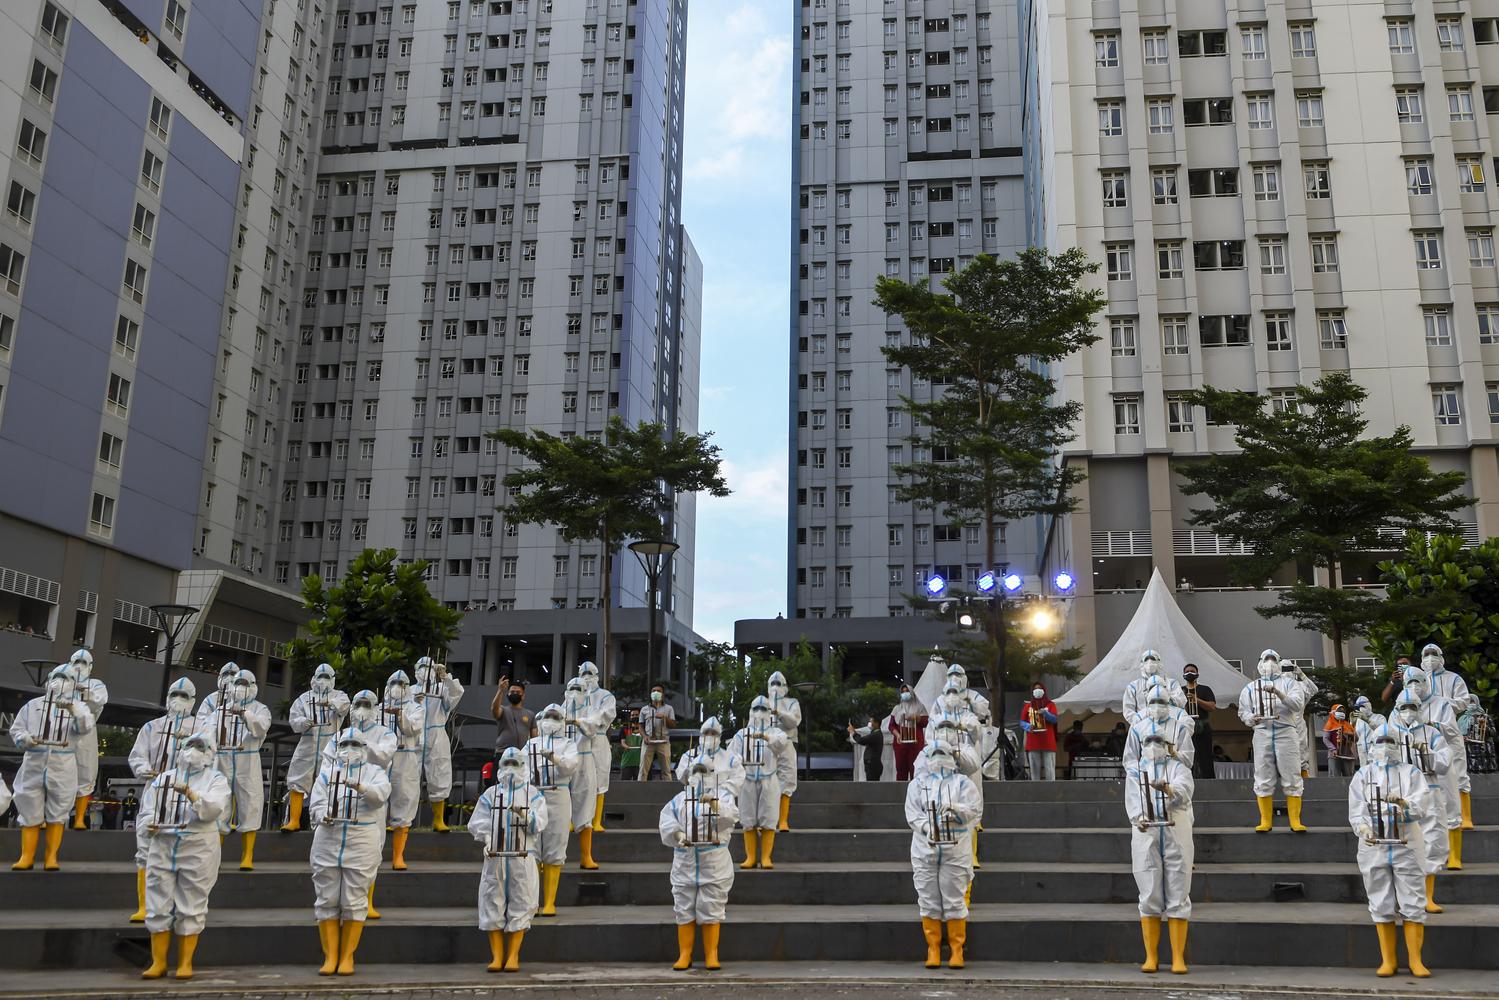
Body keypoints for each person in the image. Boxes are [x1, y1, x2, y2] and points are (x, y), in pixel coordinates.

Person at [137, 730, 230, 980]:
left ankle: (185, 963)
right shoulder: (163, 779)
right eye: (190, 745)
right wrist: (149, 825)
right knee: (157, 903)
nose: (194, 750)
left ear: (210, 753)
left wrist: (191, 794)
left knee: (192, 904)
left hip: (198, 846)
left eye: (200, 746)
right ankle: (158, 962)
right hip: (163, 844)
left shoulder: (216, 779)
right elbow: (147, 810)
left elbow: (213, 810)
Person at [1349, 724, 1432, 977]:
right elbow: (1356, 808)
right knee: (1380, 898)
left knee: (1413, 898)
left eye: (1390, 741)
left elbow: (1422, 805)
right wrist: (1362, 828)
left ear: (1398, 744)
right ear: (1372, 745)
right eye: (1380, 741)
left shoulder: (1412, 773)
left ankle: (1415, 960)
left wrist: (1404, 804)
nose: (1385, 746)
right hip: (1374, 843)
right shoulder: (1362, 774)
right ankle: (1389, 960)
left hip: (1406, 839)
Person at [310, 728, 392, 976]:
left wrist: (360, 787)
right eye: (345, 744)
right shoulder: (325, 774)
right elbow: (315, 803)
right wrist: (322, 814)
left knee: (354, 899)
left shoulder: (376, 772)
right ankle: (330, 956)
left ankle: (347, 957)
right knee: (326, 898)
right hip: (328, 838)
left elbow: (380, 796)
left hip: (361, 839)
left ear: (364, 748)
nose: (349, 749)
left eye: (355, 744)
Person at [468, 747, 547, 973]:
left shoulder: (533, 794)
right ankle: (496, 956)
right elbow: (477, 822)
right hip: (495, 856)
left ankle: (513, 956)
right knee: (492, 901)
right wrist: (488, 837)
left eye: (515, 764)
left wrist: (524, 814)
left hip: (523, 856)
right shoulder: (491, 794)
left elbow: (540, 824)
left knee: (522, 902)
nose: (511, 769)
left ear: (524, 767)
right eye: (507, 764)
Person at [11, 664, 96, 870]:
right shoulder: (32, 706)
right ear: (48, 680)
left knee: (58, 809)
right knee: (28, 803)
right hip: (34, 760)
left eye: (65, 678)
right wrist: (25, 739)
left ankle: (51, 857)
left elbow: (85, 726)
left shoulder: (79, 707)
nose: (59, 682)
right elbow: (17, 730)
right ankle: (27, 856)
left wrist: (71, 708)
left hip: (62, 762)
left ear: (73, 684)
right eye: (56, 677)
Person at [905, 742, 982, 970]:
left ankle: (957, 949)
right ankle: (933, 947)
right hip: (924, 848)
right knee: (928, 898)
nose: (938, 757)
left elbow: (975, 810)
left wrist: (956, 810)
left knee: (954, 897)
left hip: (955, 847)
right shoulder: (917, 785)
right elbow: (912, 814)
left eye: (943, 753)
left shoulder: (963, 783)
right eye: (934, 753)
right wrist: (927, 827)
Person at [128, 677, 198, 921]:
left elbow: (211, 757)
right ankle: (145, 905)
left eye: (184, 696)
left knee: (184, 848)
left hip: (186, 790)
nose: (178, 700)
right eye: (174, 694)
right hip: (156, 788)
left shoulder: (201, 727)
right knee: (146, 844)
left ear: (193, 700)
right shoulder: (151, 727)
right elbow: (137, 756)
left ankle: (178, 906)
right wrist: (144, 768)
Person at [661, 754, 740, 971]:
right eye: (695, 771)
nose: (699, 775)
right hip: (685, 859)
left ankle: (711, 954)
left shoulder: (723, 796)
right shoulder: (679, 799)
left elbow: (730, 818)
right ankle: (684, 953)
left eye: (703, 771)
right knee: (683, 905)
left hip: (713, 860)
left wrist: (714, 804)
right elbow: (667, 821)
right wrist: (678, 836)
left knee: (712, 905)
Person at [1126, 730, 1194, 974]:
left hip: (1176, 827)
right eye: (1149, 742)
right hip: (1146, 832)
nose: (1153, 746)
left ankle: (1178, 957)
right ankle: (1151, 956)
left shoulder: (1178, 767)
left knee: (1179, 885)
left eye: (1158, 741)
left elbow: (1185, 791)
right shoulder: (1135, 769)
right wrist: (1140, 818)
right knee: (1148, 888)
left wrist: (1168, 790)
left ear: (1167, 745)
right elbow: (1133, 799)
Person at [1389, 689, 1452, 913]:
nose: (1408, 711)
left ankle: (1427, 897)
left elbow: (1445, 763)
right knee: (1399, 843)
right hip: (1399, 792)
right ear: (1396, 709)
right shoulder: (1388, 733)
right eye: (1404, 707)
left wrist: (1427, 753)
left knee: (1433, 840)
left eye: (1413, 706)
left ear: (1420, 708)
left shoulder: (1432, 734)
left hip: (1429, 791)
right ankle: (1401, 897)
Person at [1237, 649, 1309, 832]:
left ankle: (1295, 820)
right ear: (1260, 662)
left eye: (1273, 659)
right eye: (1265, 659)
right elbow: (1243, 711)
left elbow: (1297, 705)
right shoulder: (1250, 687)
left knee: (1292, 773)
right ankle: (1265, 820)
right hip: (1262, 732)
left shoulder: (1290, 683)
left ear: (1278, 662)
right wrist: (1250, 718)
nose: (1269, 662)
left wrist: (1278, 693)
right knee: (1262, 774)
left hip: (1286, 731)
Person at [1402, 665, 1464, 869]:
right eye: (1409, 682)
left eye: (1417, 681)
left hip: (1440, 762)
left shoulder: (1441, 704)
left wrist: (1433, 725)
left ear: (1425, 681)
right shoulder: (1399, 706)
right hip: (1412, 770)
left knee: (1450, 805)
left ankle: (1454, 855)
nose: (1413, 686)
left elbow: (1453, 732)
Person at [210, 669, 272, 871]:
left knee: (251, 804)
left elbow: (261, 728)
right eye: (237, 683)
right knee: (220, 805)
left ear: (253, 686)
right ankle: (216, 855)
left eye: (245, 684)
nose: (240, 688)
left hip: (248, 759)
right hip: (223, 760)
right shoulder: (220, 711)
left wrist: (245, 714)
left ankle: (248, 855)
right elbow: (208, 731)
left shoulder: (260, 709)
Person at [523, 703, 579, 915]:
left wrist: (554, 757)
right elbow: (522, 766)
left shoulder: (568, 744)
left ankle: (549, 902)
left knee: (556, 844)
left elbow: (571, 765)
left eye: (556, 717)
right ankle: (533, 900)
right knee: (533, 844)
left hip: (559, 794)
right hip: (535, 794)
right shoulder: (531, 744)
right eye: (548, 716)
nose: (551, 720)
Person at [282, 663, 350, 832]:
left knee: (328, 781)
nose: (323, 680)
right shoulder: (304, 698)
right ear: (313, 678)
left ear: (333, 680)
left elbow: (344, 706)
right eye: (320, 676)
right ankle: (294, 820)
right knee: (297, 780)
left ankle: (322, 820)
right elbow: (294, 720)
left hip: (330, 744)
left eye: (327, 677)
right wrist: (302, 723)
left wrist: (329, 703)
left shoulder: (339, 695)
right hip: (307, 743)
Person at [1423, 645, 1475, 830]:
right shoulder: (1420, 680)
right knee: (1432, 774)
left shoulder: (1453, 678)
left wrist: (1442, 702)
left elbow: (1463, 701)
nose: (1430, 658)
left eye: (1433, 654)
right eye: (1426, 655)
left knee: (1459, 771)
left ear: (1441, 657)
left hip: (1450, 731)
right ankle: (1439, 815)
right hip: (1427, 735)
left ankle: (1466, 815)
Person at [735, 697, 789, 869]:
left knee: (769, 816)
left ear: (769, 712)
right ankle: (750, 857)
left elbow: (782, 744)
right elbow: (733, 756)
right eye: (756, 708)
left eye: (763, 708)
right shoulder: (741, 734)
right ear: (751, 711)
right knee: (747, 817)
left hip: (769, 779)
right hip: (747, 780)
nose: (759, 712)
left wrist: (765, 737)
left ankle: (766, 857)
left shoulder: (776, 732)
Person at [413, 657, 464, 832]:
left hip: (436, 734)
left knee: (439, 774)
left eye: (428, 667)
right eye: (421, 667)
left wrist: (446, 678)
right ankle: (400, 821)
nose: (424, 670)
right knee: (407, 777)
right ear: (415, 670)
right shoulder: (409, 690)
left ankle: (438, 819)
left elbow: (455, 696)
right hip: (414, 735)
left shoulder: (440, 688)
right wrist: (414, 701)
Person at [380, 670, 425, 869]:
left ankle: (398, 856)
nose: (397, 686)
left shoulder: (416, 708)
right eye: (394, 682)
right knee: (376, 804)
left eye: (402, 683)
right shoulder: (377, 708)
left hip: (405, 759)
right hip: (381, 760)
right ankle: (374, 852)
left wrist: (399, 715)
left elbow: (412, 729)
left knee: (404, 802)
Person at [561, 677, 601, 869]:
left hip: (584, 760)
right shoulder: (559, 709)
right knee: (556, 806)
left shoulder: (592, 709)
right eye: (572, 688)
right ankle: (549, 856)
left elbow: (593, 727)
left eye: (579, 688)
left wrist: (577, 721)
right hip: (561, 760)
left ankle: (586, 856)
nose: (575, 691)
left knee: (586, 806)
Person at [67, 649, 108, 830]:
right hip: (63, 728)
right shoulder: (62, 679)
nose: (79, 666)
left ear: (90, 667)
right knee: (55, 770)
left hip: (86, 731)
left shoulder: (96, 684)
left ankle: (79, 818)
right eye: (76, 661)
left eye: (84, 662)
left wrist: (85, 691)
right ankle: (49, 816)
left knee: (86, 771)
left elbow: (100, 701)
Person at [576, 661, 617, 832]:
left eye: (590, 673)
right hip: (579, 739)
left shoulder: (606, 696)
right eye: (583, 674)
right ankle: (576, 819)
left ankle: (596, 820)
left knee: (600, 778)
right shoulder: (575, 694)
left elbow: (606, 714)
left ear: (597, 675)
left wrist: (589, 721)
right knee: (578, 777)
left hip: (599, 739)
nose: (587, 677)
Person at [674, 716, 747, 800]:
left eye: (713, 733)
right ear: (701, 734)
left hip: (721, 803)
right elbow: (683, 778)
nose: (709, 736)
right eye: (706, 733)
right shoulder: (690, 755)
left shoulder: (730, 758)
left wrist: (718, 792)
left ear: (719, 736)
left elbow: (738, 778)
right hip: (693, 802)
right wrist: (692, 770)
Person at [767, 671, 803, 832]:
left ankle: (783, 820)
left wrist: (778, 712)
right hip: (766, 743)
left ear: (785, 687)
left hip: (786, 742)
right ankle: (767, 820)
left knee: (787, 778)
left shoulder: (792, 703)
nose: (775, 687)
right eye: (772, 684)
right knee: (765, 780)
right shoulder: (762, 703)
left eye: (779, 684)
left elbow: (793, 722)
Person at [1123, 650, 1185, 726]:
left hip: (1169, 726)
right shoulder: (1133, 686)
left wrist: (1166, 696)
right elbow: (1128, 711)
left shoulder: (1172, 683)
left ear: (1159, 662)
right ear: (1142, 663)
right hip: (1143, 728)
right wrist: (1140, 724)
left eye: (1153, 659)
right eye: (1146, 659)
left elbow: (1181, 702)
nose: (1150, 662)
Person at [1283, 660, 1319, 778]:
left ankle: (1304, 779)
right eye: (1283, 669)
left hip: (1298, 723)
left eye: (1288, 669)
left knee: (1301, 752)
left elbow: (1314, 690)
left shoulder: (1300, 685)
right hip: (1282, 723)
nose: (1286, 672)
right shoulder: (1276, 685)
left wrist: (1301, 674)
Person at [1181, 664, 1217, 779]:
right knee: (1187, 755)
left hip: (1202, 727)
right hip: (1186, 728)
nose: (1189, 673)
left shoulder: (1205, 689)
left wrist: (1196, 700)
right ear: (1183, 674)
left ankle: (1208, 781)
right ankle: (1187, 780)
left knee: (1205, 756)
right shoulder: (1180, 691)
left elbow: (1212, 706)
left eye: (1192, 671)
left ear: (1197, 674)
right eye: (1187, 671)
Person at [490, 676, 536, 759]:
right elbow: (494, 709)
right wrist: (500, 690)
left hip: (522, 755)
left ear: (523, 695)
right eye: (512, 692)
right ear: (508, 694)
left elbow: (535, 739)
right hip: (502, 753)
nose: (515, 694)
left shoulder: (530, 714)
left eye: (518, 692)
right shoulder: (503, 710)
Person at [888, 684, 928, 781]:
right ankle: (901, 793)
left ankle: (916, 792)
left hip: (915, 743)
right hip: (900, 744)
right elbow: (891, 725)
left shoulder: (920, 707)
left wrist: (915, 717)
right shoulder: (897, 708)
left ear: (911, 692)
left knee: (915, 768)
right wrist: (897, 734)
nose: (905, 693)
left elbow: (926, 722)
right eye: (903, 692)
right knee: (901, 769)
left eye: (907, 691)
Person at [1020, 683, 1059, 780]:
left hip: (1048, 742)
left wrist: (1046, 713)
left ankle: (1051, 790)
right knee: (1034, 771)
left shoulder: (1050, 704)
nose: (1037, 690)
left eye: (1040, 688)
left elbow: (1055, 719)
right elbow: (1021, 722)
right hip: (1033, 743)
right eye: (1035, 689)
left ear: (1044, 690)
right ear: (1032, 691)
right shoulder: (1028, 706)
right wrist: (1029, 726)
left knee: (1050, 770)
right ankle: (1035, 790)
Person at [638, 685, 676, 781]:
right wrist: (644, 736)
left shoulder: (669, 708)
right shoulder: (644, 709)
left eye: (658, 691)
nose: (656, 692)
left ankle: (668, 792)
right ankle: (639, 792)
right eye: (653, 690)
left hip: (663, 742)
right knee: (643, 769)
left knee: (666, 770)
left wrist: (664, 717)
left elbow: (673, 725)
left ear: (662, 695)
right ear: (650, 693)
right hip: (648, 741)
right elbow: (640, 726)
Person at [1324, 704, 1358, 777]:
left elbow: (1356, 739)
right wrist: (1333, 749)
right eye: (1339, 711)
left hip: (1347, 755)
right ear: (1333, 712)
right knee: (1334, 778)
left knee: (1349, 777)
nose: (1342, 713)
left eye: (1343, 711)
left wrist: (1353, 726)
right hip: (1334, 755)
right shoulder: (1329, 724)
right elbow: (1325, 739)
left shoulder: (1348, 725)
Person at [1353, 696, 1387, 767]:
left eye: (1362, 706)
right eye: (1358, 707)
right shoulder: (1358, 721)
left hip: (1375, 750)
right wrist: (1352, 725)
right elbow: (1354, 738)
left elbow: (1383, 731)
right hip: (1362, 752)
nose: (1360, 709)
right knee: (1365, 774)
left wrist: (1367, 720)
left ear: (1368, 706)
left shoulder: (1379, 717)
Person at [849, 716, 884, 782]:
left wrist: (853, 732)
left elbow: (861, 740)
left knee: (871, 785)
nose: (870, 723)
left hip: (873, 765)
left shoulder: (876, 734)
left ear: (877, 723)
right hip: (872, 764)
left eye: (871, 721)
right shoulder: (875, 733)